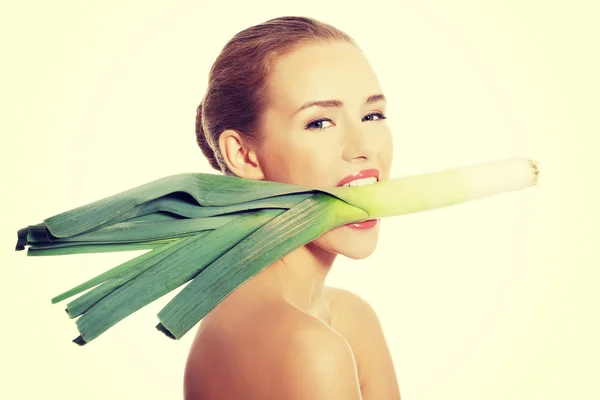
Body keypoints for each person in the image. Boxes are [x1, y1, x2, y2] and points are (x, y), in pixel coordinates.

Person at [185, 16, 401, 400]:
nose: (362, 146)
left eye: (372, 115)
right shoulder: (301, 343)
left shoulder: (350, 318)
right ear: (245, 156)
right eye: (320, 122)